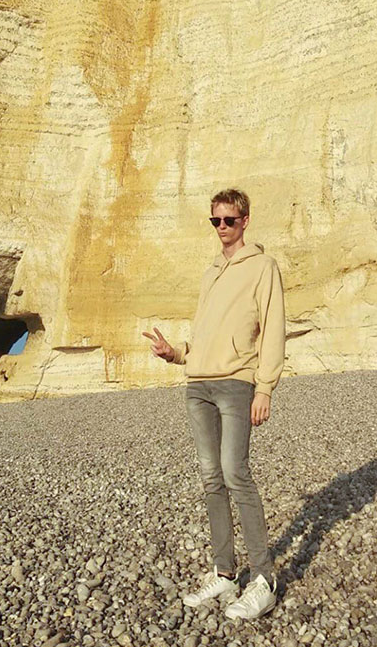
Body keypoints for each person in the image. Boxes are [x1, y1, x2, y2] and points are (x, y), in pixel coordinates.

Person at [143, 187, 286, 621]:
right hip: (197, 386)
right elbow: (205, 334)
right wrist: (177, 353)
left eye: (229, 220)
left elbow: (274, 329)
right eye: (216, 221)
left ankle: (264, 579)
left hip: (236, 384)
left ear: (245, 221)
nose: (222, 228)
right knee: (210, 479)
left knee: (235, 474)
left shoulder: (263, 267)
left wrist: (265, 388)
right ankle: (224, 572)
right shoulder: (211, 272)